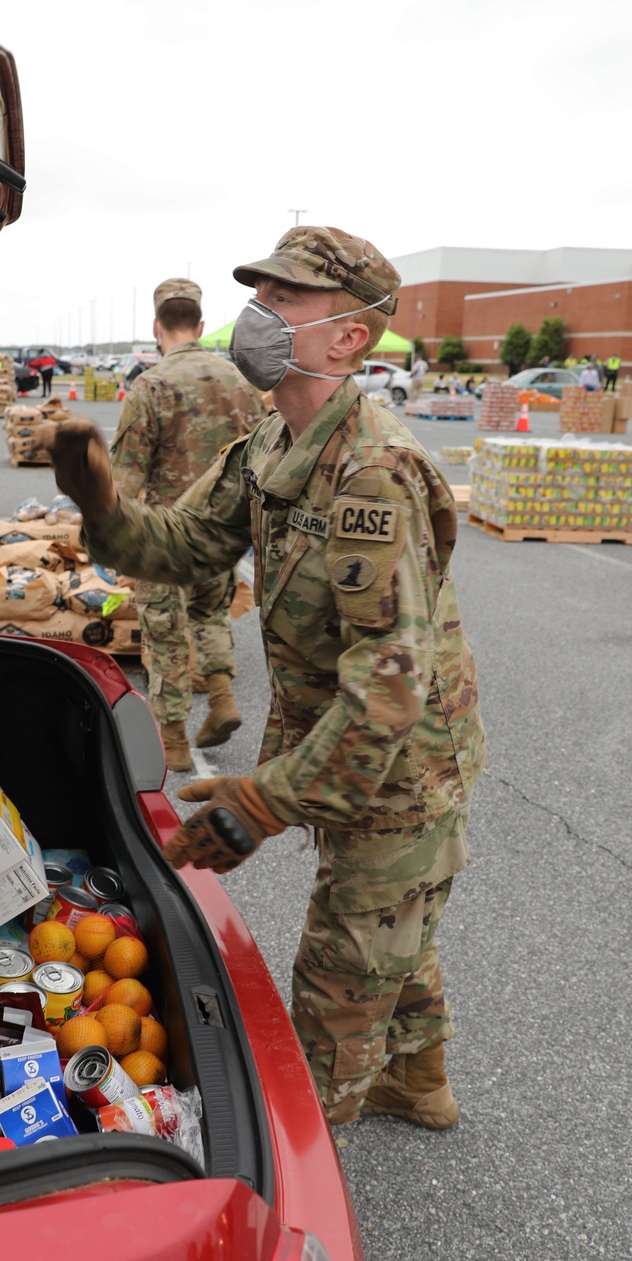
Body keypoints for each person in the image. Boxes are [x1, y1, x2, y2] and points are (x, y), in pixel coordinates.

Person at [37, 226, 485, 1131]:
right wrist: (102, 506)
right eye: (260, 295)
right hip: (343, 749)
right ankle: (421, 1083)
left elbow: (392, 681)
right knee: (393, 929)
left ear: (348, 337)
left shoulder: (372, 472)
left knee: (336, 983)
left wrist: (263, 804)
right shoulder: (274, 441)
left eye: (284, 300)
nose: (257, 315)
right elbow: (186, 546)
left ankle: (307, 1185)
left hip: (398, 770)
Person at [109, 278, 264, 772]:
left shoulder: (151, 385)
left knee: (165, 635)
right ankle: (222, 697)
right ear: (199, 326)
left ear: (158, 327)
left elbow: (125, 479)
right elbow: (261, 460)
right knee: (211, 616)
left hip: (163, 537)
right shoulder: (240, 383)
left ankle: (173, 744)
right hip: (221, 531)